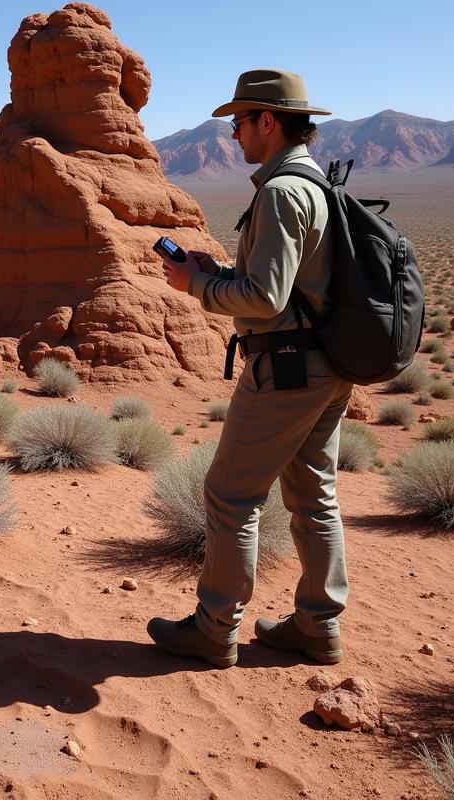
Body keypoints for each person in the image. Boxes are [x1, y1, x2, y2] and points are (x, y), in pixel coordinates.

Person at [147, 69, 352, 668]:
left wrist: (197, 284)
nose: (233, 133)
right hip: (327, 363)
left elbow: (266, 300)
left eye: (238, 121)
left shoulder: (283, 190)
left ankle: (214, 629)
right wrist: (219, 270)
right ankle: (318, 626)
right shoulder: (315, 181)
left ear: (268, 120)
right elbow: (291, 286)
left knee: (231, 495)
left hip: (287, 368)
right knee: (315, 496)